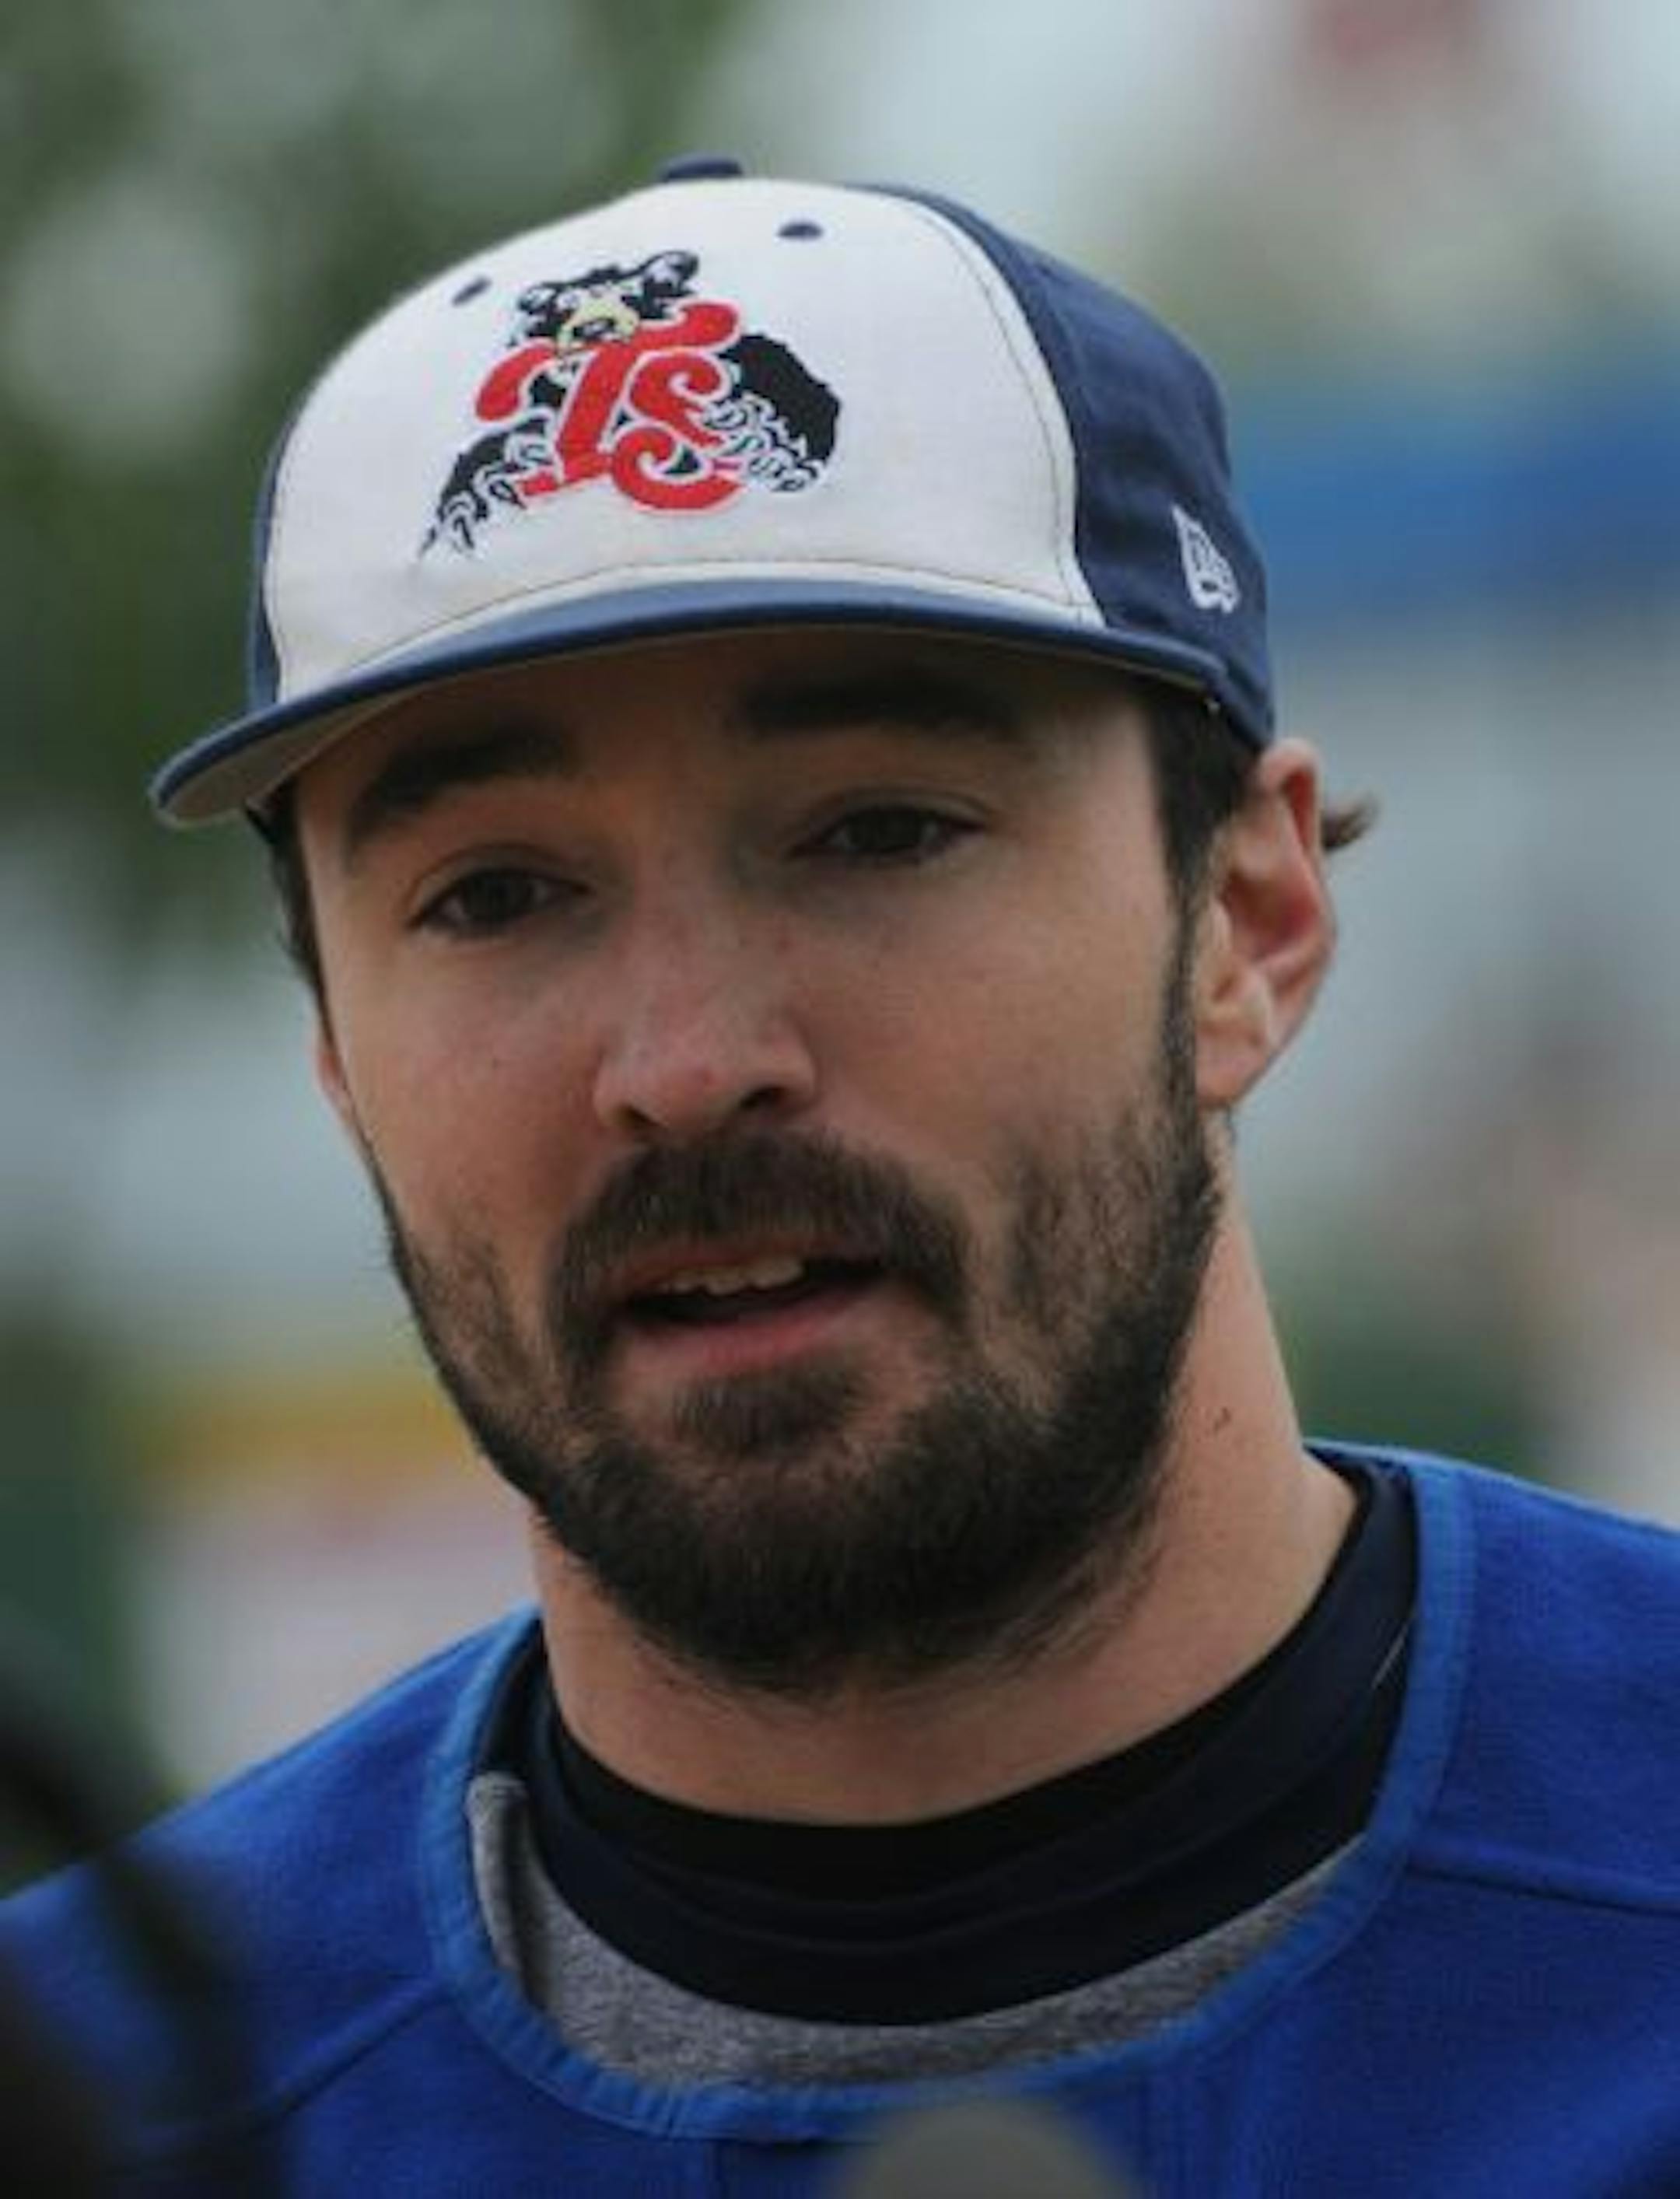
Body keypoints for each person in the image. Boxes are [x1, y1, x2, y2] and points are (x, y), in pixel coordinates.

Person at [3, 156, 1678, 2197]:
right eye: (498, 891)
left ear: (1242, 919)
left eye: (876, 829)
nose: (692, 1064)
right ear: (340, 1049)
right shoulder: (101, 2100)